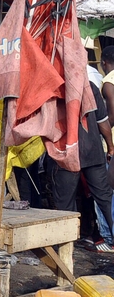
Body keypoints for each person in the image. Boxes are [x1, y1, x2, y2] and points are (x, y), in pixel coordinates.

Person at [45, 81, 114, 253]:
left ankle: (66, 249)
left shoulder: (51, 87)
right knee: (105, 198)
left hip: (65, 152)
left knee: (65, 203)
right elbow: (102, 121)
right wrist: (110, 146)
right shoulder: (88, 85)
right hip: (92, 150)